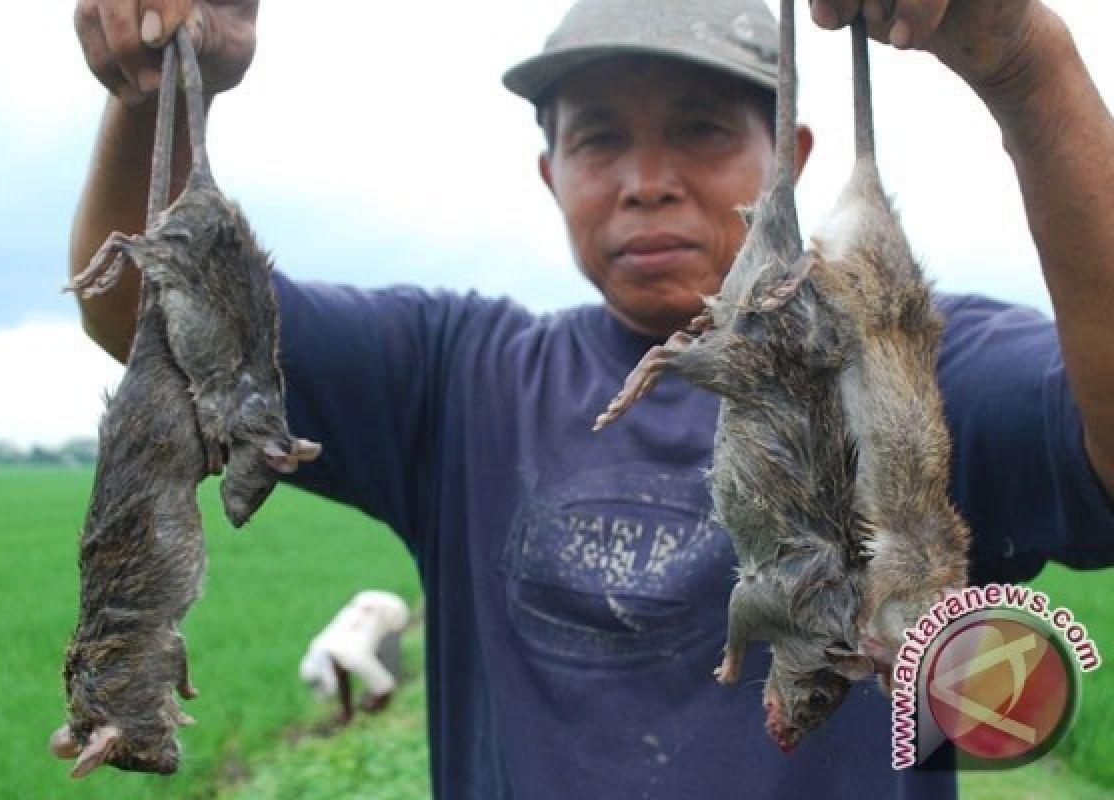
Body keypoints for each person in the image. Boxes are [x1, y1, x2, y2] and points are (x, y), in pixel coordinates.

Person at [69, 0, 1114, 797]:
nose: (645, 178)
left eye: (702, 130)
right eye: (600, 138)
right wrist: (154, 89)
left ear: (789, 157)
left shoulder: (906, 359)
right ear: (549, 170)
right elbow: (145, 315)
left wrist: (1027, 62)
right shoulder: (459, 373)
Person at [299, 590, 411, 726]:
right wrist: (347, 711)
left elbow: (385, 687)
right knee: (362, 652)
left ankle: (396, 687)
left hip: (392, 610)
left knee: (388, 664)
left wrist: (375, 704)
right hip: (364, 601)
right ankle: (352, 710)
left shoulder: (355, 654)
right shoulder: (321, 647)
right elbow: (341, 675)